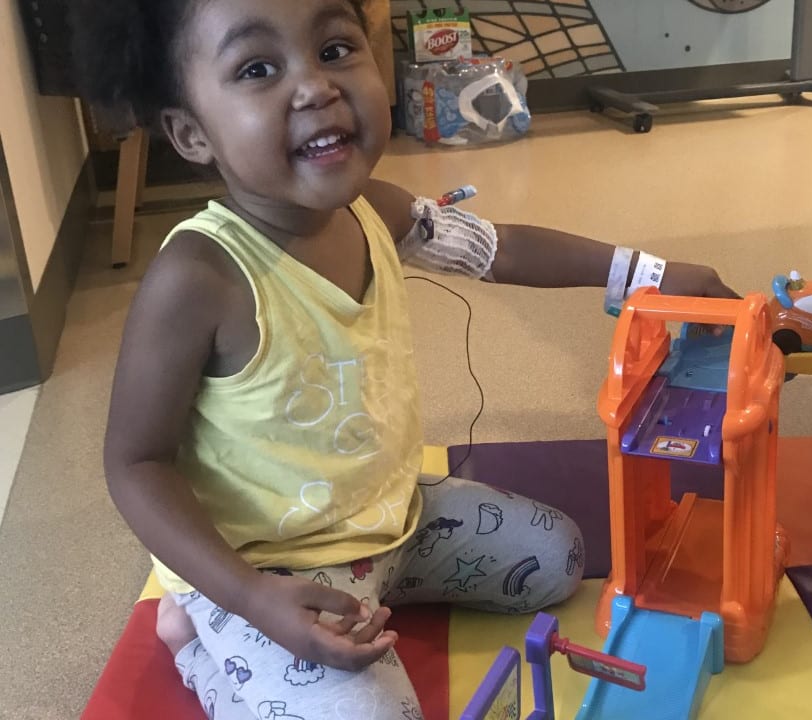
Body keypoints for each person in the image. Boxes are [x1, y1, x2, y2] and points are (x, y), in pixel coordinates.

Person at [72, 0, 738, 717]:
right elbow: (135, 464)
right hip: (264, 564)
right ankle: (198, 642)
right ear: (191, 133)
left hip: (394, 517)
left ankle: (364, 579)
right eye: (258, 68)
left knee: (559, 561)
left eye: (334, 50)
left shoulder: (379, 212)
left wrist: (648, 275)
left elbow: (500, 249)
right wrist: (250, 596)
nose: (315, 87)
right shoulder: (198, 278)